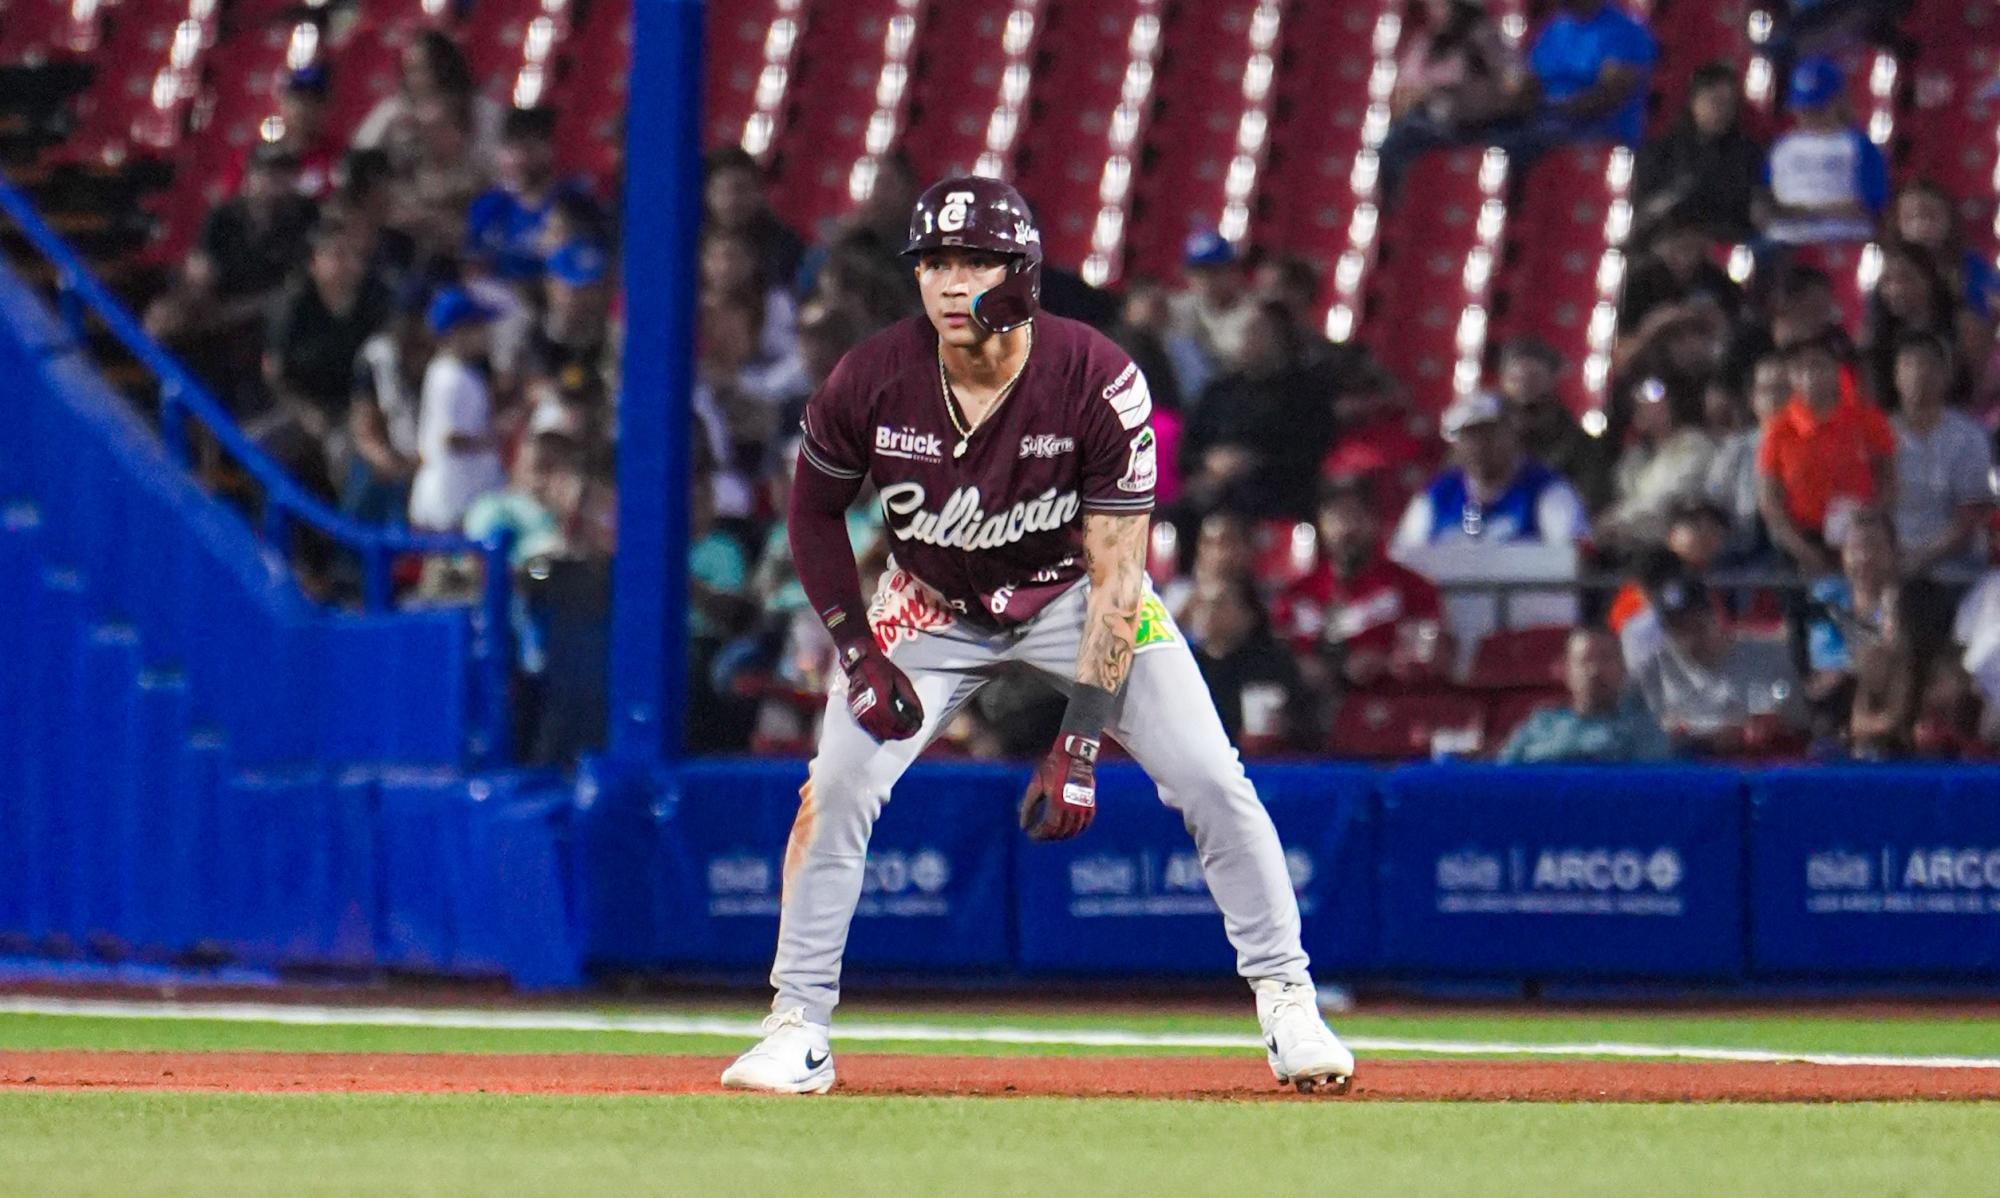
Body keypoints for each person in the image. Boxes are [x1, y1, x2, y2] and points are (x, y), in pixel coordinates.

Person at [718, 176, 1354, 1096]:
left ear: (1022, 274)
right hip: (931, 600)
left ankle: (1289, 1001)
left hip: (1075, 593)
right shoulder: (872, 374)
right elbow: (811, 512)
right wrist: (856, 650)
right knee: (839, 785)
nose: (949, 281)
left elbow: (1119, 574)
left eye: (973, 261)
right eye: (935, 261)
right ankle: (797, 1024)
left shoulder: (1098, 377)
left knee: (1212, 778)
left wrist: (1080, 742)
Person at [1273, 474, 1449, 699]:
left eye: (1355, 515)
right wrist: (1300, 665)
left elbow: (1430, 656)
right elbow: (1277, 656)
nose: (1346, 528)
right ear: (1321, 523)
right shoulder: (1296, 595)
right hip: (1312, 709)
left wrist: (1385, 662)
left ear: (1374, 520)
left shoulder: (1412, 587)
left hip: (1389, 702)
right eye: (1336, 517)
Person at [259, 222, 394, 493]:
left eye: (354, 255)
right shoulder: (294, 308)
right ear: (314, 263)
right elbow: (274, 372)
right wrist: (304, 411)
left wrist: (364, 412)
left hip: (357, 409)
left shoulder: (376, 305)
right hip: (303, 406)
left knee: (346, 454)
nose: (349, 264)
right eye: (338, 255)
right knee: (258, 445)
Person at [1757, 332, 1896, 577]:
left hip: (1862, 534)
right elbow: (1770, 502)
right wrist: (1802, 550)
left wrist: (1870, 520)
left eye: (1818, 366)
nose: (1810, 376)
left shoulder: (1868, 419)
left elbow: (1889, 480)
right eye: (1800, 369)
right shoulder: (1777, 430)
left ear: (1836, 371)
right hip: (1803, 540)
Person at [1632, 567, 1808, 754]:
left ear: (1718, 617)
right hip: (1688, 762)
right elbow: (1648, 731)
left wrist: (1764, 724)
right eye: (1678, 629)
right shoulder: (1656, 669)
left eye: (1697, 625)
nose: (1689, 638)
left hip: (1756, 760)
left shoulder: (1768, 656)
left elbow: (1793, 722)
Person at [1177, 300, 1327, 517]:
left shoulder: (1304, 393)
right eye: (1245, 332)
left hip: (1274, 491)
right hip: (1213, 487)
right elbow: (1187, 448)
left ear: (1280, 338)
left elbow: (1308, 452)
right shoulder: (1218, 391)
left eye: (1259, 332)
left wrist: (1255, 462)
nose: (1249, 340)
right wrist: (1209, 461)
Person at [1392, 390, 1591, 550]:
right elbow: (1407, 557)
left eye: (1489, 435)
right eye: (1469, 437)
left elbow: (1570, 558)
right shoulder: (1437, 495)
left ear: (1512, 435)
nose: (1479, 447)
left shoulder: (1547, 490)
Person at [1376, 0, 1520, 199]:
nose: (1434, 10)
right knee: (1396, 142)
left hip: (1474, 123)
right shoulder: (1427, 42)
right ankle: (1395, 205)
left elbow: (1509, 83)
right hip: (1430, 118)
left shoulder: (1482, 37)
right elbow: (1405, 89)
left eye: (1441, 4)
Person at [1805, 506, 1912, 749]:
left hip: (1898, 697)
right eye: (1856, 549)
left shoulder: (1913, 600)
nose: (1865, 558)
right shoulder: (1827, 597)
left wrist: (1891, 610)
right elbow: (1827, 665)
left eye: (1875, 547)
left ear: (1893, 552)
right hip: (1840, 699)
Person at [1890, 333, 1994, 580]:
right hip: (1892, 564)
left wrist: (1920, 560)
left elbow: (1971, 516)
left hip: (1956, 570)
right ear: (1896, 376)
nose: (1918, 374)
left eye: (1927, 365)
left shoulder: (1969, 436)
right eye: (1909, 365)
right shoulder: (1880, 434)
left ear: (1946, 375)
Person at [1757, 56, 1888, 247]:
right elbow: (1765, 197)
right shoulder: (1782, 147)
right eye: (1803, 108)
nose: (1808, 114)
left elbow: (1871, 205)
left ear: (1837, 102)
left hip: (1844, 240)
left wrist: (1810, 212)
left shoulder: (1858, 145)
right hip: (1785, 240)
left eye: (1817, 108)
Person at [1632, 61, 1766, 244]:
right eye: (1715, 101)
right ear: (1694, 101)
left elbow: (1746, 215)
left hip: (1719, 243)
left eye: (1730, 104)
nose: (1723, 111)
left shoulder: (1747, 154)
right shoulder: (1660, 151)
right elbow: (1645, 208)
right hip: (1664, 241)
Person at [1497, 627, 1673, 763]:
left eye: (1606, 659)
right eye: (1584, 660)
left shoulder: (1643, 729)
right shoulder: (1540, 725)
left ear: (1623, 669)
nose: (1595, 670)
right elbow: (1503, 777)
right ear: (1566, 671)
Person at [409, 288, 507, 532]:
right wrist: (496, 438)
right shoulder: (450, 378)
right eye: (477, 327)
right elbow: (451, 438)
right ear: (457, 333)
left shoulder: (455, 371)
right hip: (453, 499)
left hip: (461, 495)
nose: (485, 333)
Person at [352, 29, 505, 179]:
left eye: (423, 69)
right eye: (410, 71)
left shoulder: (484, 111)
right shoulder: (391, 113)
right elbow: (358, 160)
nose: (415, 79)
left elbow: (499, 168)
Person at [1183, 574, 1307, 755]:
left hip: (1264, 764)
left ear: (1248, 615)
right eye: (1201, 603)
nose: (1207, 611)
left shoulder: (1271, 664)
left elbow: (1300, 722)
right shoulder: (1184, 664)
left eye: (1219, 604)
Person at [1596, 371, 1719, 553]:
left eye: (1654, 399)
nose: (1644, 407)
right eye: (1638, 403)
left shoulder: (1694, 446)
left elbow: (1670, 498)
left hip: (1675, 549)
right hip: (1630, 549)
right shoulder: (1634, 458)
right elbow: (1623, 497)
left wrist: (1618, 520)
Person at [465, 107, 593, 281]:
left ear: (551, 149)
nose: (515, 159)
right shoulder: (489, 205)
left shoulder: (575, 203)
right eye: (508, 147)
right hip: (503, 295)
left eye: (528, 147)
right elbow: (473, 273)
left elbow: (582, 274)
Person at [1493, 335, 1613, 512]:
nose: (1525, 386)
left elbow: (1590, 496)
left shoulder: (1576, 442)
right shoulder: (1484, 435)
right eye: (1516, 379)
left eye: (1534, 378)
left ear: (1551, 379)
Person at [1862, 244, 1974, 407]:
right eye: (1887, 281)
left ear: (1929, 279)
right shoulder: (1876, 338)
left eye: (1906, 278)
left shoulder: (1960, 327)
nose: (1895, 289)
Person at [1617, 208, 1745, 335]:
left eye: (1696, 244)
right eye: (1682, 242)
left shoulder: (1715, 279)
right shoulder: (1642, 279)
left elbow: (1734, 316)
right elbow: (1627, 328)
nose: (1688, 254)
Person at [1889, 178, 2000, 324]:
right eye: (1910, 217)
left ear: (1949, 220)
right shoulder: (1890, 270)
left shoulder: (1971, 264)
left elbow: (1992, 303)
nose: (1921, 225)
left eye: (1931, 216)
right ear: (1898, 224)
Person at [703, 145, 806, 292]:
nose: (731, 201)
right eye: (720, 191)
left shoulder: (784, 245)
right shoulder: (687, 239)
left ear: (759, 192)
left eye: (741, 189)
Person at [1167, 228, 1255, 397]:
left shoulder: (1252, 313)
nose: (1206, 279)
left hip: (1237, 396)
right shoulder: (1178, 308)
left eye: (1214, 271)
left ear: (1233, 271)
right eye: (1198, 272)